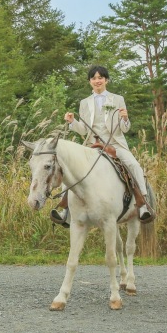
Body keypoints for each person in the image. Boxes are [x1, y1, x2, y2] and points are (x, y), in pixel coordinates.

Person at [51, 65, 154, 227]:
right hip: (92, 145)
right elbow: (84, 131)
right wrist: (72, 122)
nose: (97, 81)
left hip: (114, 144)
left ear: (106, 80)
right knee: (69, 168)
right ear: (90, 82)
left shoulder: (118, 99)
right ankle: (65, 209)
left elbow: (124, 128)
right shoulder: (84, 103)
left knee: (133, 164)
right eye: (93, 78)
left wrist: (125, 118)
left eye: (100, 78)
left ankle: (143, 204)